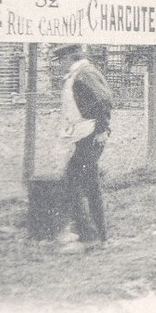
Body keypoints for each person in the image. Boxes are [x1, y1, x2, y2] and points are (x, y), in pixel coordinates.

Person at [50, 43, 114, 244]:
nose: (59, 65)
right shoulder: (79, 74)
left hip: (90, 136)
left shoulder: (84, 74)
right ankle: (94, 234)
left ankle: (91, 235)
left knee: (77, 184)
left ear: (70, 58)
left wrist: (102, 129)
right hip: (84, 135)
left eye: (61, 60)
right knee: (85, 185)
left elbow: (103, 100)